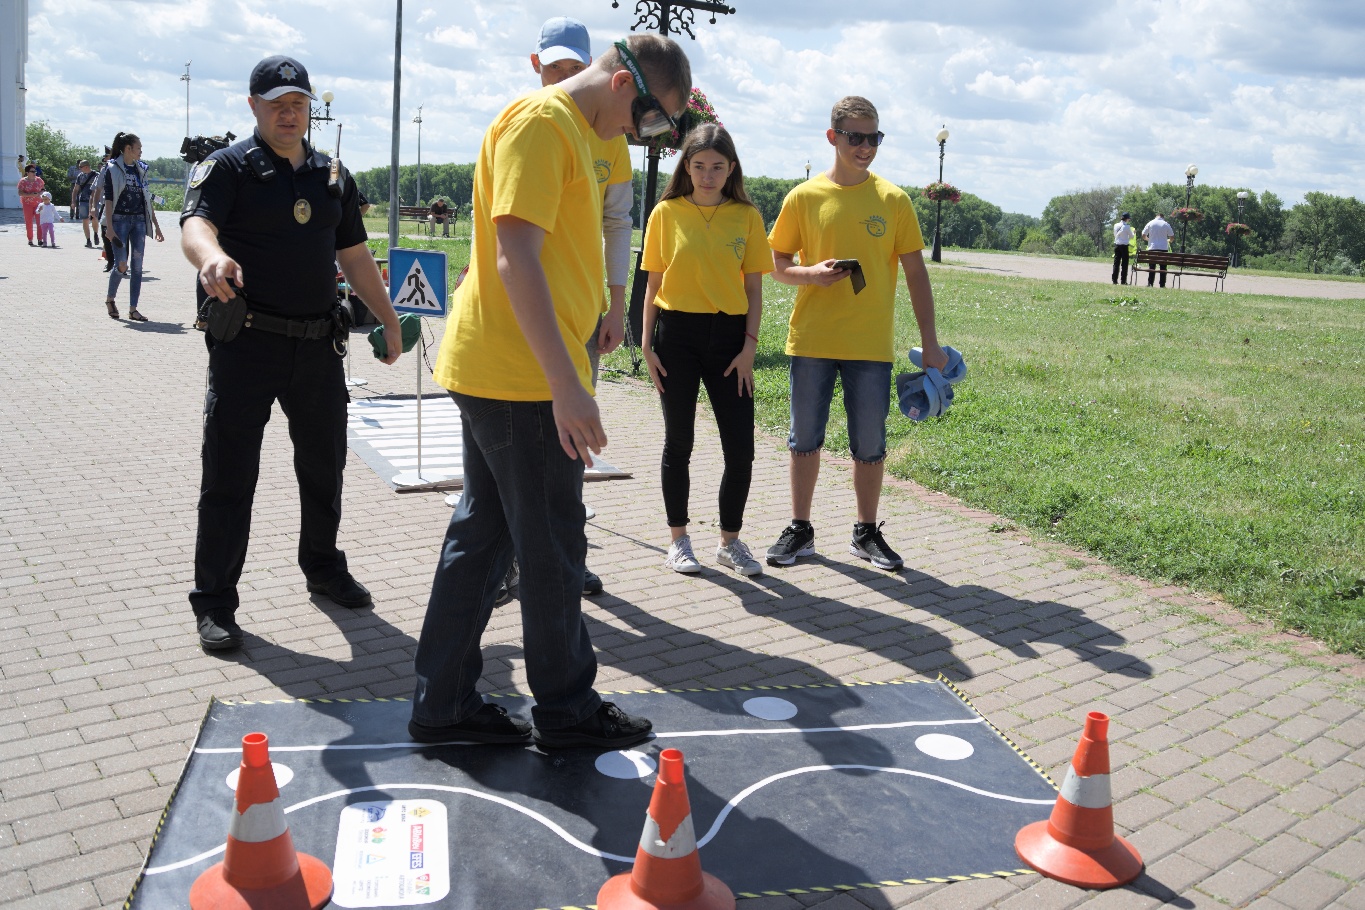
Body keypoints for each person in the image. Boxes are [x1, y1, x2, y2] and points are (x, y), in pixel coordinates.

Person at [408, 34, 691, 748]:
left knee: (486, 534)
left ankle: (443, 702)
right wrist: (566, 385)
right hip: (522, 377)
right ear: (622, 83)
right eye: (649, 118)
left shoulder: (579, 130)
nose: (644, 134)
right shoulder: (542, 123)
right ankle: (566, 710)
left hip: (517, 369)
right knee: (552, 541)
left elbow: (576, 241)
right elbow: (515, 258)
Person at [180, 54, 403, 652]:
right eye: (277, 104)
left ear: (310, 109)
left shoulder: (333, 175)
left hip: (318, 347)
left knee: (324, 468)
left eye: (299, 103)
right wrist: (211, 258)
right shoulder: (227, 167)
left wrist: (387, 319)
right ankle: (215, 602)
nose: (289, 113)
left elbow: (354, 254)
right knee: (229, 477)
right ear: (253, 106)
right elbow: (195, 226)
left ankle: (323, 568)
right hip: (246, 346)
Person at [765, 95, 947, 571]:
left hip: (870, 346)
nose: (865, 147)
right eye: (855, 137)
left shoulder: (893, 200)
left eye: (874, 138)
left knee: (869, 443)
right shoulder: (803, 197)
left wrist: (930, 341)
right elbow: (775, 263)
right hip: (812, 340)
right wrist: (811, 274)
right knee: (804, 438)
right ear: (832, 137)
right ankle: (800, 529)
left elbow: (916, 275)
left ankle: (866, 532)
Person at [493, 15, 634, 601]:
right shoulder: (530, 123)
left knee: (569, 444)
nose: (564, 78)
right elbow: (506, 236)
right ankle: (510, 559)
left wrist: (617, 305)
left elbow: (618, 223)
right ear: (536, 65)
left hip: (580, 315)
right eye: (555, 68)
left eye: (575, 68)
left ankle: (564, 553)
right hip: (523, 314)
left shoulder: (612, 136)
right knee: (509, 453)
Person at [641, 124, 770, 577]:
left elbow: (754, 290)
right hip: (675, 336)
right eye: (699, 166)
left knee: (741, 449)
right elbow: (652, 284)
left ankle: (730, 543)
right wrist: (646, 345)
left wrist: (749, 347)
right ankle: (678, 540)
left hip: (731, 341)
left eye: (717, 167)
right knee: (679, 442)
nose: (708, 175)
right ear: (687, 168)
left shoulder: (747, 217)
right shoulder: (666, 213)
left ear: (731, 168)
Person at [102, 132, 165, 322]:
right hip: (119, 221)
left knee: (137, 267)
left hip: (138, 221)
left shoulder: (141, 169)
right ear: (128, 148)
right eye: (138, 148)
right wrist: (109, 227)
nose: (141, 151)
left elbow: (146, 199)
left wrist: (156, 226)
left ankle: (133, 309)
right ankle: (110, 299)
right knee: (121, 265)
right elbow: (108, 200)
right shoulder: (112, 168)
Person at [1142, 212, 1175, 287]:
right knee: (1163, 267)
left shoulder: (1150, 223)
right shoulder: (1166, 224)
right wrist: (1169, 241)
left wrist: (1148, 240)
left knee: (1152, 267)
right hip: (1163, 248)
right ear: (1163, 217)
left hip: (1152, 248)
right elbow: (1172, 237)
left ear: (1156, 216)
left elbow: (1143, 235)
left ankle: (1150, 283)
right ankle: (1162, 284)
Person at [71, 159, 99, 248]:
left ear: (86, 167)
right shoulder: (80, 176)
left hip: (94, 201)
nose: (79, 169)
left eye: (80, 167)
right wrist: (73, 201)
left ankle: (95, 233)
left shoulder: (96, 175)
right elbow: (75, 189)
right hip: (83, 200)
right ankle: (88, 240)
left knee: (94, 218)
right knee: (85, 220)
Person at [17, 163, 43, 246]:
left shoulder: (39, 180)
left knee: (40, 221)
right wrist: (30, 195)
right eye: (32, 171)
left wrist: (39, 193)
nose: (34, 173)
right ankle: (30, 239)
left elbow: (43, 189)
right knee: (29, 221)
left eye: (35, 171)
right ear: (27, 172)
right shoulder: (23, 181)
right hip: (27, 204)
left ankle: (40, 239)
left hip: (38, 203)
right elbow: (20, 193)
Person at [1112, 212, 1133, 285]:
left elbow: (1115, 235)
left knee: (1116, 263)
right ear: (1127, 219)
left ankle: (1114, 280)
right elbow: (1131, 236)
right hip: (1124, 246)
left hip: (1117, 245)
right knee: (1124, 264)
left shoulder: (1116, 225)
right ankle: (1123, 281)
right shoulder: (1127, 227)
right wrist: (1133, 232)